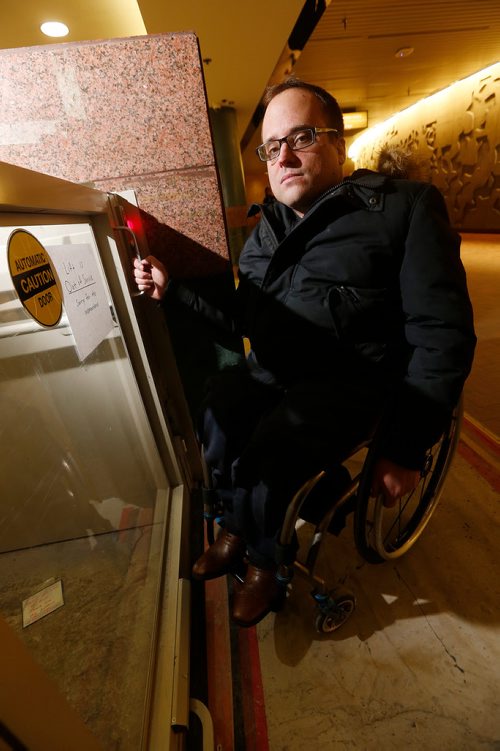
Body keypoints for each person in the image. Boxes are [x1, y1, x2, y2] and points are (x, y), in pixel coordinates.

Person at [133, 79, 476, 628]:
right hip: (278, 373)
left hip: (353, 383)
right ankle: (235, 527)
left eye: (302, 136)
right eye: (272, 147)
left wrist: (407, 448)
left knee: (274, 443)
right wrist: (174, 290)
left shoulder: (403, 209)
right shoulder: (266, 230)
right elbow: (248, 318)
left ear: (339, 144)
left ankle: (267, 563)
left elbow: (443, 334)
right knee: (219, 406)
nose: (284, 156)